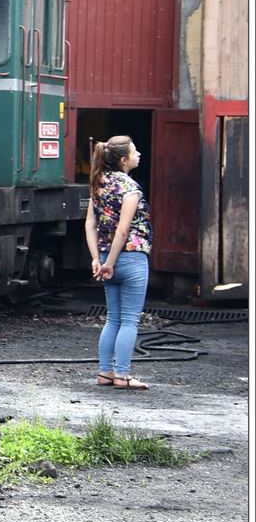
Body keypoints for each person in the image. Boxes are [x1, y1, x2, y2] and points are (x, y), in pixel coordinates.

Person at [84, 135, 153, 390]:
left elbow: (90, 224)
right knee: (130, 320)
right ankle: (123, 376)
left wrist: (97, 259)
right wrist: (110, 263)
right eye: (135, 152)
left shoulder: (98, 183)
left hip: (104, 258)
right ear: (124, 160)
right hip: (131, 258)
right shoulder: (131, 189)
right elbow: (123, 232)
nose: (139, 155)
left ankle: (105, 373)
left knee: (112, 318)